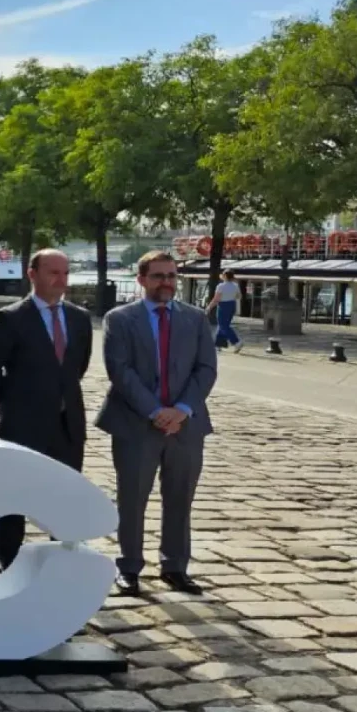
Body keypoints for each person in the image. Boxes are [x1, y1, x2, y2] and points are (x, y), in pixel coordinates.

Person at [96, 251, 218, 597]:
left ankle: (175, 566)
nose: (166, 282)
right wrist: (155, 412)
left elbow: (206, 369)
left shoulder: (195, 319)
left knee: (180, 498)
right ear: (141, 279)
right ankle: (129, 567)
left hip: (186, 426)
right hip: (135, 423)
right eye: (158, 276)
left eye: (171, 276)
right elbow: (120, 371)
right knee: (132, 498)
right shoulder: (120, 319)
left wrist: (181, 410)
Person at [0, 249, 92, 581]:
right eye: (53, 272)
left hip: (67, 426)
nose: (60, 280)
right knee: (13, 500)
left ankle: (62, 566)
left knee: (64, 500)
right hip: (22, 425)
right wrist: (13, 400)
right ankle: (9, 565)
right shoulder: (12, 318)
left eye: (65, 273)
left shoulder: (79, 318)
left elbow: (77, 367)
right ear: (32, 274)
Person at [203, 269, 243, 353]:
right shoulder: (235, 285)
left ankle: (236, 342)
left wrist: (209, 307)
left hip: (223, 306)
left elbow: (216, 299)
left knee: (223, 325)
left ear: (225, 276)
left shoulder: (221, 286)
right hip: (232, 305)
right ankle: (218, 344)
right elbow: (239, 296)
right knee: (223, 325)